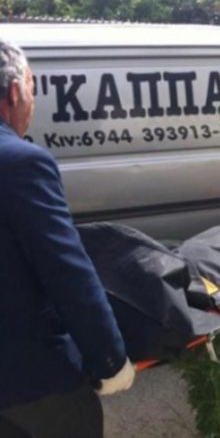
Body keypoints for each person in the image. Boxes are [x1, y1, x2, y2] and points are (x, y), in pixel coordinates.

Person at [0, 40, 134, 437]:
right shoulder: (21, 162)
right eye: (34, 90)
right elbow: (66, 271)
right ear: (15, 92)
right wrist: (110, 360)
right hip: (29, 381)